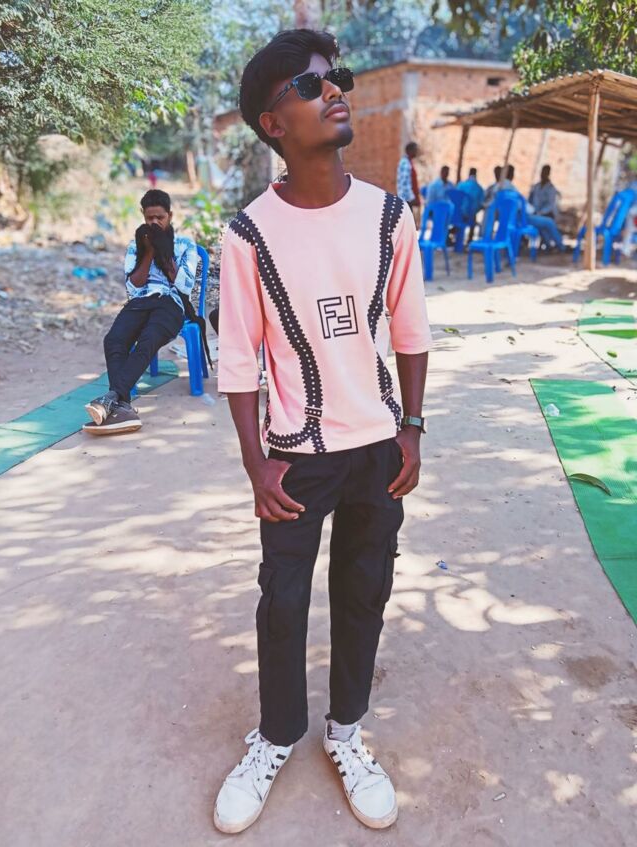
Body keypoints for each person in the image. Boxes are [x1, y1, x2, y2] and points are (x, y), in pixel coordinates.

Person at [214, 28, 432, 834]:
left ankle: (346, 731)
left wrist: (412, 428)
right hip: (295, 457)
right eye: (309, 86)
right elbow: (239, 359)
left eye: (335, 78)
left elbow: (410, 329)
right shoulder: (248, 235)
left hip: (376, 449)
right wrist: (255, 463)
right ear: (273, 125)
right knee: (283, 599)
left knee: (364, 587)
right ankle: (276, 736)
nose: (333, 90)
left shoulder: (388, 217)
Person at [83, 190, 197, 434]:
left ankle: (113, 398)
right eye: (149, 218)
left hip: (171, 303)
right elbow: (133, 288)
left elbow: (186, 286)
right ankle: (122, 405)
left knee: (149, 338)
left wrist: (164, 252)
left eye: (160, 218)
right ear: (143, 216)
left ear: (170, 216)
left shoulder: (185, 245)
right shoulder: (136, 246)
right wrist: (149, 252)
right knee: (113, 340)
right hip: (141, 301)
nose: (154, 223)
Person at [505, 165, 564, 250]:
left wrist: (540, 212)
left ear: (548, 174)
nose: (542, 175)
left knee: (546, 223)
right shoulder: (534, 187)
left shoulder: (551, 189)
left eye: (545, 173)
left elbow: (550, 205)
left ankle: (553, 245)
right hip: (529, 214)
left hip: (544, 213)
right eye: (542, 172)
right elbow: (527, 202)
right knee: (547, 223)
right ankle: (559, 246)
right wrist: (533, 211)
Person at [396, 141, 421, 217]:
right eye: (415, 150)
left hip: (407, 200)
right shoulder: (405, 163)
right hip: (406, 200)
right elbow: (404, 183)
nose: (416, 152)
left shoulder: (408, 162)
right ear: (409, 150)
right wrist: (412, 198)